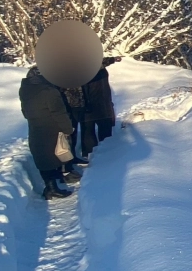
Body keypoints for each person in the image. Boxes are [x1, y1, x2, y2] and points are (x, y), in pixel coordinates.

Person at [19, 66, 77, 200]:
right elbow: (59, 112)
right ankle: (53, 188)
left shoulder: (24, 89)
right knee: (56, 155)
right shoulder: (49, 91)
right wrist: (68, 128)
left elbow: (24, 112)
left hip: (35, 128)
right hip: (52, 128)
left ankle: (50, 186)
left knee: (42, 157)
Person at [80, 56, 119, 157]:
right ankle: (104, 155)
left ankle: (90, 155)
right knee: (101, 132)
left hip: (92, 105)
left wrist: (113, 59)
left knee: (89, 132)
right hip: (101, 105)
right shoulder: (97, 68)